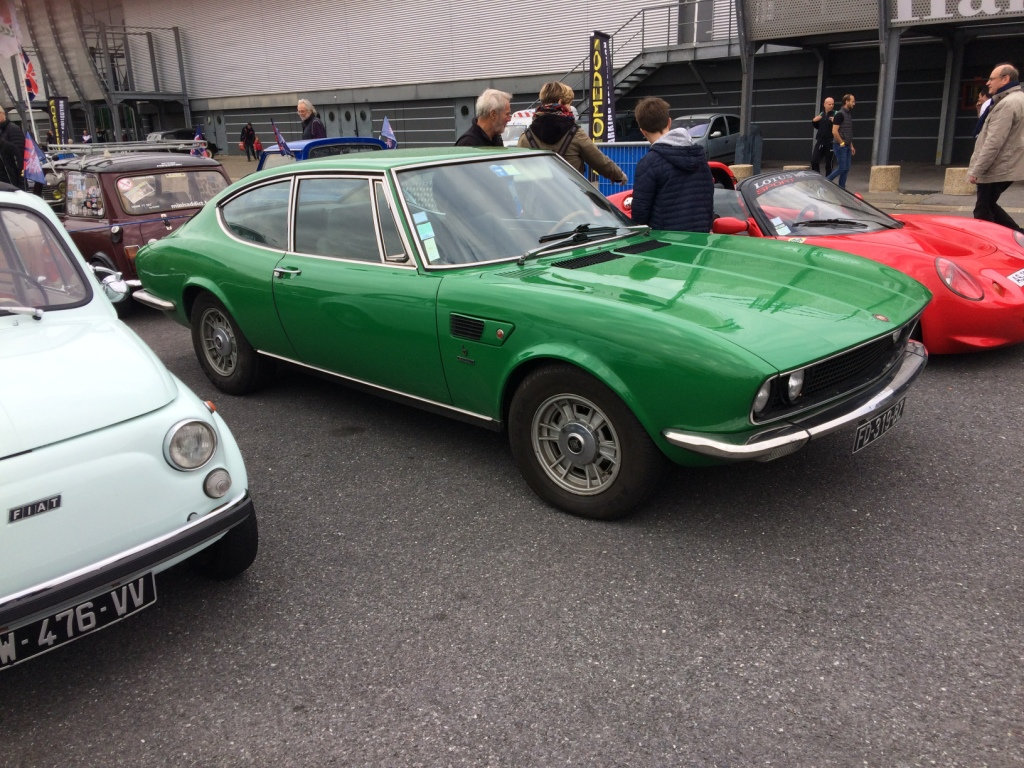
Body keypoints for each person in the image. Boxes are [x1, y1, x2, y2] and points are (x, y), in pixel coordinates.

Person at [629, 96, 714, 233]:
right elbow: (708, 197)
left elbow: (640, 213)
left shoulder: (648, 163)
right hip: (699, 237)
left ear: (643, 131)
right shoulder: (699, 156)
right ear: (669, 122)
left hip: (666, 240)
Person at [517, 81, 627, 184]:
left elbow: (518, 170)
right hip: (570, 195)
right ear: (560, 102)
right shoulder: (575, 133)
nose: (570, 109)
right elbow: (599, 160)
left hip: (538, 196)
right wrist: (618, 175)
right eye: (569, 104)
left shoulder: (526, 137)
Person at [969, 63, 1024, 232]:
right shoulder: (1018, 98)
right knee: (988, 206)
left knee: (982, 212)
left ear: (1005, 79)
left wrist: (977, 170)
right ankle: (1018, 236)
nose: (988, 83)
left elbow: (994, 141)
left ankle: (1006, 240)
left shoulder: (1006, 104)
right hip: (1007, 163)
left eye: (991, 79)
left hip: (997, 166)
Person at [826, 93, 855, 188]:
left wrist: (851, 146)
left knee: (846, 169)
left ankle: (842, 188)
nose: (854, 103)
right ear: (846, 101)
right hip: (840, 146)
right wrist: (841, 142)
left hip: (847, 145)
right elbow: (834, 131)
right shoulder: (840, 114)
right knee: (842, 168)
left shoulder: (848, 114)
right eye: (852, 101)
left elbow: (847, 131)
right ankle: (824, 184)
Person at [0, 107, 25, 189]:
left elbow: (19, 154)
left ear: (2, 114)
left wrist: (21, 181)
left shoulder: (13, 129)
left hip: (11, 178)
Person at [810, 96, 836, 175]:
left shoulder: (836, 113)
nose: (831, 106)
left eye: (832, 104)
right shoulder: (822, 114)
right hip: (820, 141)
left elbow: (840, 126)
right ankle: (817, 177)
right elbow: (817, 126)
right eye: (829, 104)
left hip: (830, 142)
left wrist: (835, 121)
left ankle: (828, 180)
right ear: (824, 104)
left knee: (829, 164)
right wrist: (813, 121)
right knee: (814, 161)